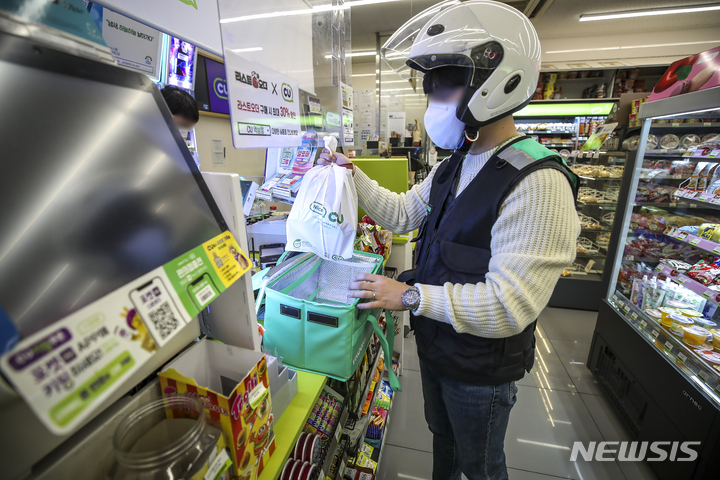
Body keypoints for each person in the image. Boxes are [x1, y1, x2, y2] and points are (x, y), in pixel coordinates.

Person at [319, 1, 580, 479]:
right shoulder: (453, 165)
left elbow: (510, 304)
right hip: (439, 348)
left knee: (480, 465)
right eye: (431, 87)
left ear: (498, 81)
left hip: (480, 369)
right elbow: (401, 212)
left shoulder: (537, 182)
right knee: (444, 446)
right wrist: (348, 175)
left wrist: (412, 296)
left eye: (447, 84)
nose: (435, 101)